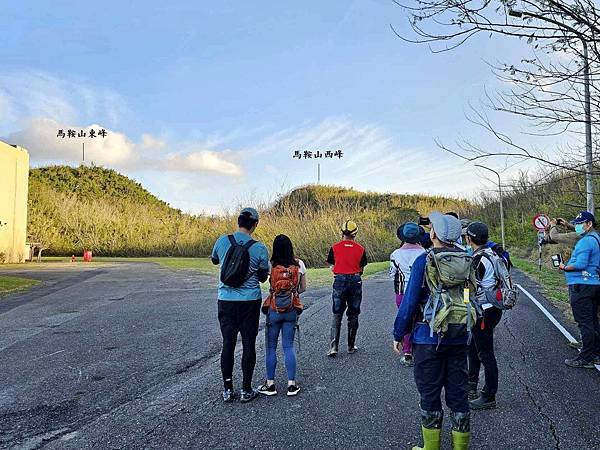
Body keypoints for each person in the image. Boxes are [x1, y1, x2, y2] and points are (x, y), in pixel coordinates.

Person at [393, 212, 475, 450]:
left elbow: (410, 302)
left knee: (430, 394)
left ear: (434, 234)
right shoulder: (468, 259)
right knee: (458, 395)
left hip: (427, 337)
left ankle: (431, 448)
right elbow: (470, 294)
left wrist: (399, 334)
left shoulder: (424, 260)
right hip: (460, 335)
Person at [211, 207, 270, 403]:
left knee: (227, 343)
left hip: (225, 300)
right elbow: (263, 277)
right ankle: (246, 389)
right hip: (249, 302)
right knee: (248, 344)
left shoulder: (222, 241)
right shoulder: (260, 248)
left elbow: (214, 260)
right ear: (255, 224)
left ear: (238, 222)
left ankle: (227, 389)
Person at [258, 235, 306, 397]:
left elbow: (265, 282)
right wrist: (291, 294)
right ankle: (291, 385)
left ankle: (270, 384)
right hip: (291, 310)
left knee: (271, 347)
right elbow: (303, 288)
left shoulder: (271, 265)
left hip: (274, 310)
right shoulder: (299, 264)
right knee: (288, 347)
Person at [465, 222, 503, 410]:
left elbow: (469, 288)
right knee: (473, 346)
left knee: (486, 353)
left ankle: (489, 395)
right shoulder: (494, 254)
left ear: (469, 239)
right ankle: (471, 384)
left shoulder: (477, 260)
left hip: (483, 310)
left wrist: (464, 304)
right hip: (494, 307)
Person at [559, 211, 600, 368]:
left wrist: (564, 267)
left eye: (579, 224)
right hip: (594, 284)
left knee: (585, 322)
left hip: (581, 285)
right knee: (593, 321)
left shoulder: (585, 242)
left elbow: (581, 264)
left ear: (589, 224)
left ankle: (585, 357)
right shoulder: (596, 239)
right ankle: (596, 353)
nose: (577, 226)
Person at [326, 220, 368, 357]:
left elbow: (332, 266)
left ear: (342, 232)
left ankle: (333, 347)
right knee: (353, 313)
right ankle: (351, 346)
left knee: (337, 313)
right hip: (355, 280)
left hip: (339, 280)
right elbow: (361, 268)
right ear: (355, 233)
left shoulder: (334, 247)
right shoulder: (361, 249)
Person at [390, 222, 425, 366]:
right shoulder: (424, 253)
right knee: (421, 320)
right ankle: (421, 349)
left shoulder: (396, 254)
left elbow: (392, 274)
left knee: (406, 318)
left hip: (402, 292)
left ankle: (407, 352)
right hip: (422, 292)